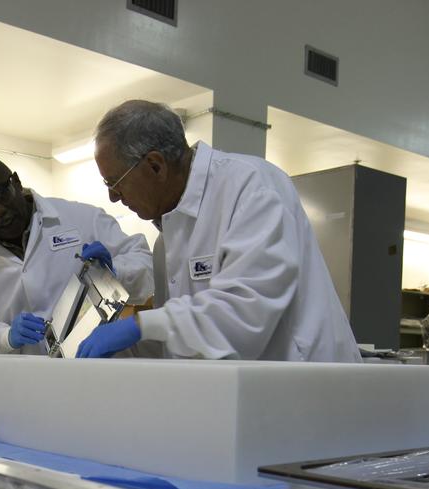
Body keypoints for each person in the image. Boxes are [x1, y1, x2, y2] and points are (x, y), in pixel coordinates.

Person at [77, 100, 361, 363]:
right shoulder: (169, 234)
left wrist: (140, 326)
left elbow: (243, 314)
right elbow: (189, 339)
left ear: (155, 165)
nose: (114, 197)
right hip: (252, 392)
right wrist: (126, 350)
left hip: (309, 386)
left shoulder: (250, 187)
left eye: (114, 182)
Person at [0, 155, 153, 354]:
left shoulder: (83, 218)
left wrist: (114, 272)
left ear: (16, 182)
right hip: (32, 380)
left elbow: (147, 265)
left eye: (0, 195)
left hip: (100, 368)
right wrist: (5, 337)